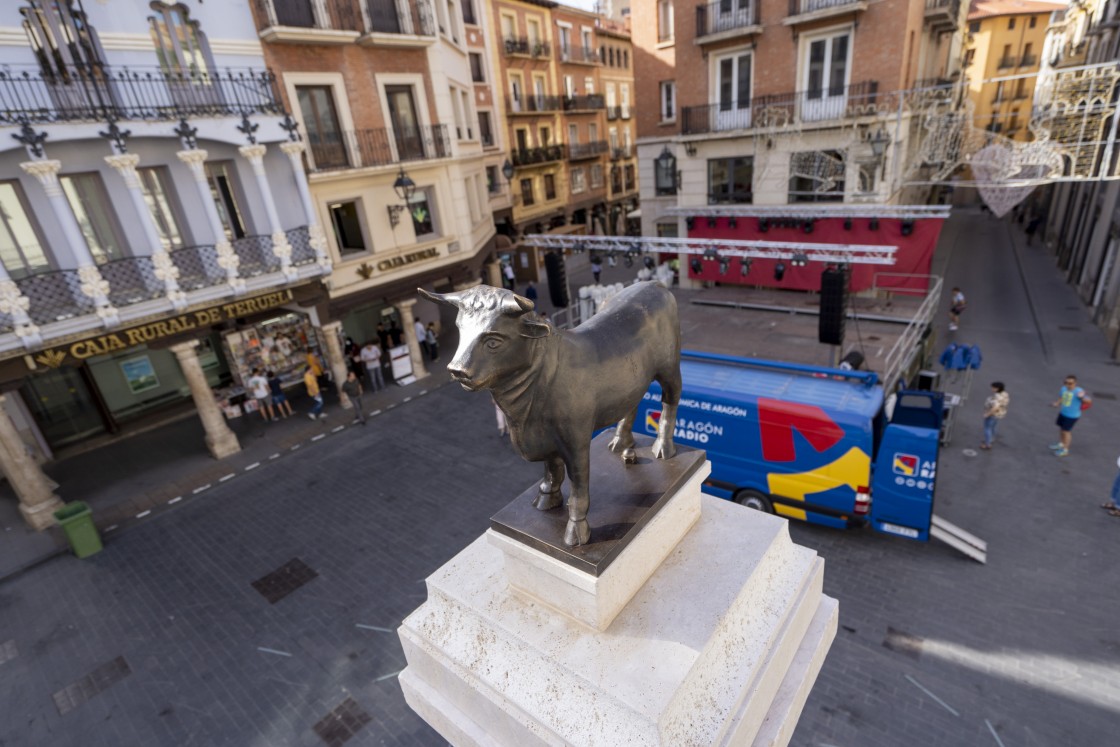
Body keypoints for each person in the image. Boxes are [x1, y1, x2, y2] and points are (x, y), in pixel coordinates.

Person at [1050, 374, 1089, 457]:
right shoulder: (1063, 388)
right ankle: (1061, 444)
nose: (1068, 384)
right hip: (1063, 413)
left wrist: (1082, 398)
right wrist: (1057, 403)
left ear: (1075, 383)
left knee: (1066, 432)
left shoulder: (1079, 391)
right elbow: (1061, 397)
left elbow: (1088, 401)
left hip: (1072, 416)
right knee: (1061, 429)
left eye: (1070, 383)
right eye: (1066, 382)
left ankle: (1065, 449)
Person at [979, 381, 1009, 450]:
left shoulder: (997, 397)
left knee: (987, 428)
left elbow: (995, 407)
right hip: (999, 414)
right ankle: (991, 439)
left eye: (993, 387)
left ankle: (987, 444)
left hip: (993, 414)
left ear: (997, 388)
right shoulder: (1004, 394)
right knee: (993, 426)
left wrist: (987, 414)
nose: (991, 389)